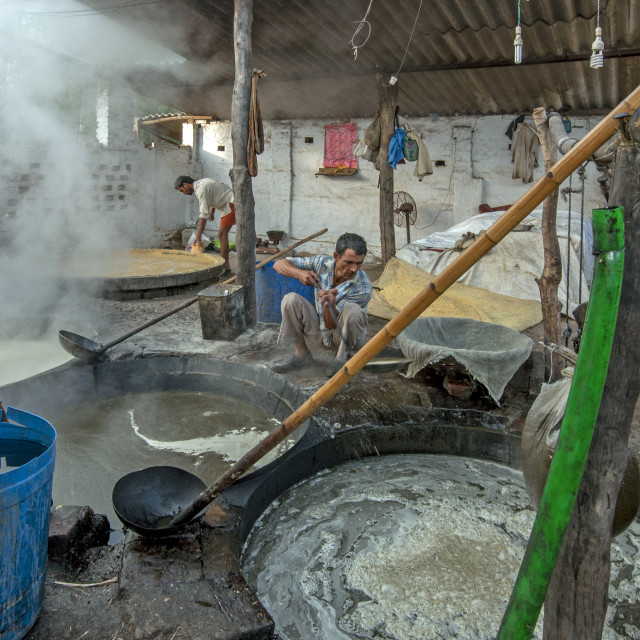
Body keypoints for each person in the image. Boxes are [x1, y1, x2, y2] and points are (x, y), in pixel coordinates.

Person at [271, 233, 372, 378]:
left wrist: (328, 305)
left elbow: (332, 325)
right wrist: (299, 273)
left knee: (353, 310)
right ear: (336, 256)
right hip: (321, 331)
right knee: (290, 300)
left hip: (346, 338)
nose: (354, 269)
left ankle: (342, 360)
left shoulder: (363, 287)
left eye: (358, 263)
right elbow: (278, 264)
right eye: (348, 262)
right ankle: (301, 355)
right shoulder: (321, 263)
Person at [175, 176, 235, 274]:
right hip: (226, 206)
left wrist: (198, 237)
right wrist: (212, 212)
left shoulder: (201, 189)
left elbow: (203, 215)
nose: (184, 193)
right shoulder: (202, 183)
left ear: (185, 185)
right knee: (222, 234)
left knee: (222, 234)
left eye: (182, 190)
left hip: (230, 204)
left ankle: (224, 267)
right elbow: (213, 196)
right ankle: (225, 266)